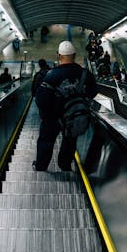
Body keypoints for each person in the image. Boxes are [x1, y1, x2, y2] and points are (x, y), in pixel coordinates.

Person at [33, 41, 97, 171]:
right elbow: (93, 91)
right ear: (74, 55)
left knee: (46, 140)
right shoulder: (85, 73)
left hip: (52, 117)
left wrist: (47, 113)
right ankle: (65, 165)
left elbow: (41, 99)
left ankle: (41, 166)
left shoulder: (51, 75)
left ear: (58, 55)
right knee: (70, 141)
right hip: (74, 116)